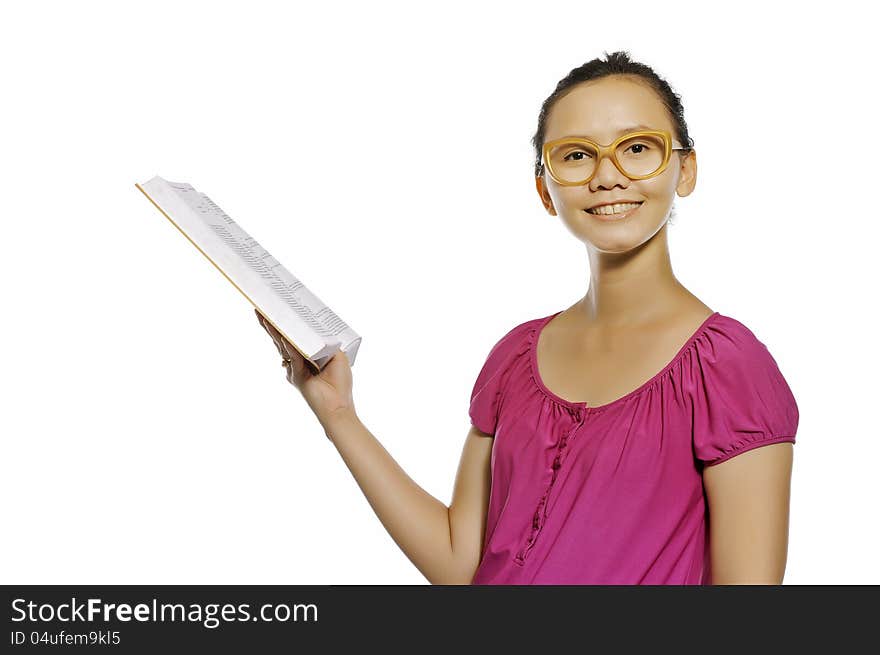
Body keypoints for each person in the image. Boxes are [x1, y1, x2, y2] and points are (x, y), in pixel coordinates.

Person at [255, 50, 799, 585]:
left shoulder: (726, 366)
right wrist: (338, 413)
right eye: (576, 155)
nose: (607, 176)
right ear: (545, 188)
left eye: (637, 148)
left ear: (685, 169)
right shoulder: (516, 356)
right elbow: (459, 563)